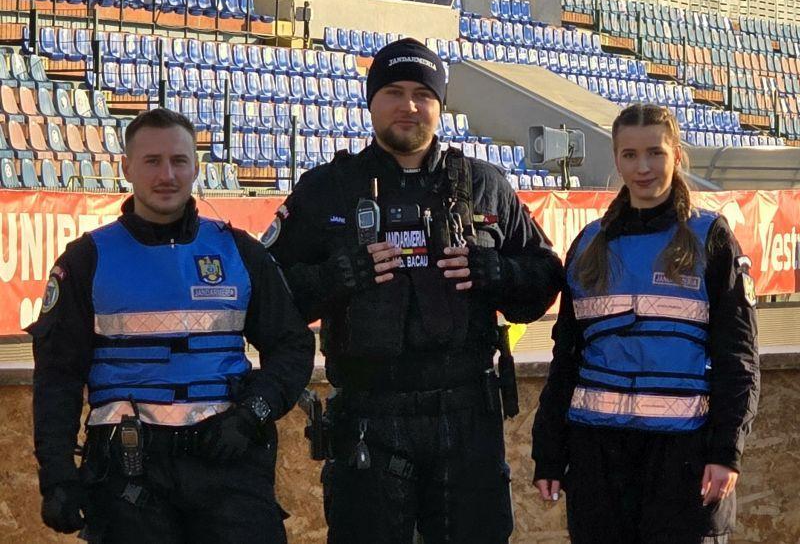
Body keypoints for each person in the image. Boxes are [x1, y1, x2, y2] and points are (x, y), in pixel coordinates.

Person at [266, 38, 563, 544]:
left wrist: (497, 273)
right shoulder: (326, 189)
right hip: (366, 419)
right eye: (394, 92)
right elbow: (270, 295)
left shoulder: (484, 185)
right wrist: (337, 277)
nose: (409, 105)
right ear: (371, 102)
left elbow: (543, 280)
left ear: (440, 106)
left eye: (423, 94)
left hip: (467, 421)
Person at [27, 108, 315, 543]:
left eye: (179, 161)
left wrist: (251, 414)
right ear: (127, 168)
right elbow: (58, 376)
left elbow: (293, 346)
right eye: (152, 161)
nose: (167, 175)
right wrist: (58, 476)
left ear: (196, 167)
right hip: (129, 475)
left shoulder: (239, 251)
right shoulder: (86, 259)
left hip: (227, 461)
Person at [531, 103, 760, 544]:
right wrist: (549, 452)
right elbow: (566, 360)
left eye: (655, 153)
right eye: (630, 155)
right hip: (598, 459)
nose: (643, 167)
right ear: (616, 160)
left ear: (677, 155)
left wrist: (726, 452)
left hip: (684, 459)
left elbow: (738, 357)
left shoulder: (710, 237)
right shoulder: (588, 243)